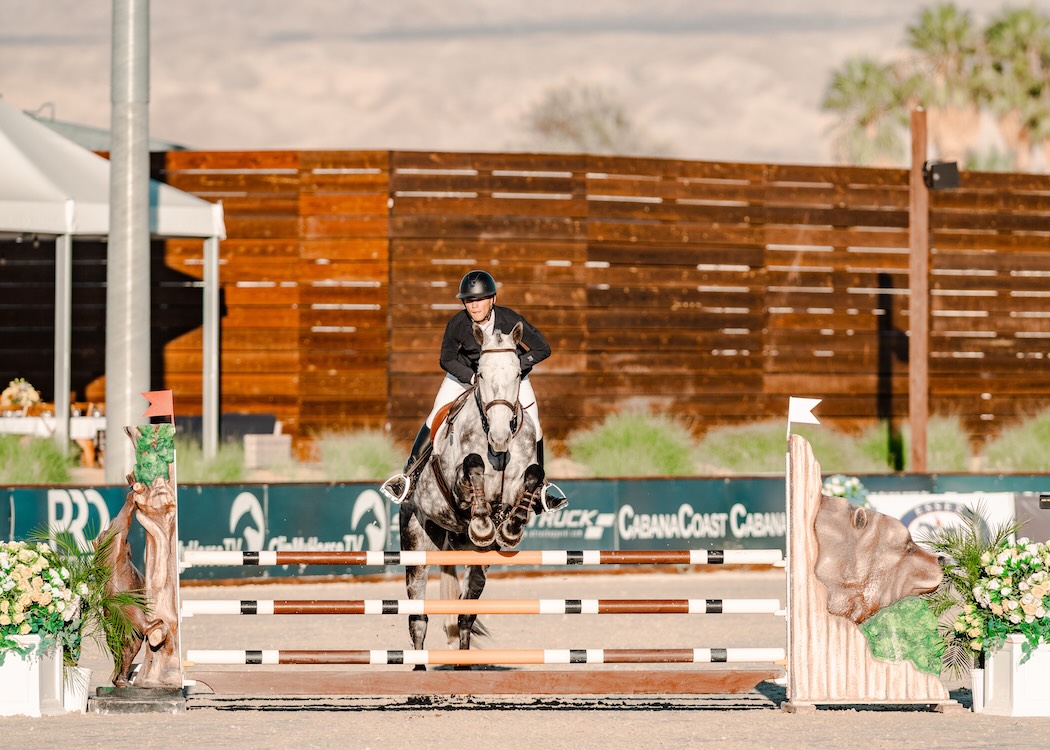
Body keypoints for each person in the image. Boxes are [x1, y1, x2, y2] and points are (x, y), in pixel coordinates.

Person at [381, 269, 563, 505]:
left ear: (493, 299)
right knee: (435, 417)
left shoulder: (510, 319)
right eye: (469, 301)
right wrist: (472, 377)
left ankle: (540, 490)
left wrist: (515, 366)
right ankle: (409, 476)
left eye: (479, 300)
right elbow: (446, 359)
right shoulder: (458, 324)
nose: (474, 306)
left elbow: (542, 349)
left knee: (535, 427)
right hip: (465, 376)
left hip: (509, 380)